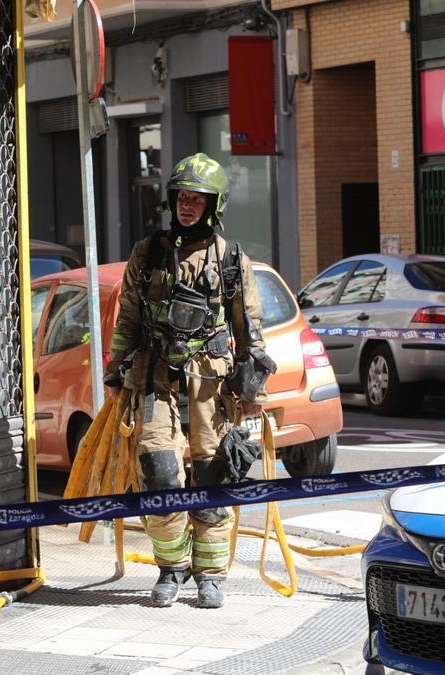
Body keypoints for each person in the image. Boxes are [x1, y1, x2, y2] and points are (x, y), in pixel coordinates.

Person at [105, 153, 272, 609]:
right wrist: (115, 373)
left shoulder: (232, 259)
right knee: (158, 470)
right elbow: (129, 319)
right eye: (182, 197)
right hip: (156, 379)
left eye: (197, 199)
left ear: (213, 205)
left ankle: (210, 575)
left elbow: (250, 331)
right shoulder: (148, 253)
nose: (187, 206)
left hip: (210, 386)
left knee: (213, 472)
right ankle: (171, 568)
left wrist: (253, 391)